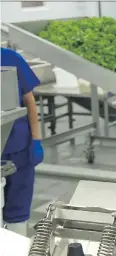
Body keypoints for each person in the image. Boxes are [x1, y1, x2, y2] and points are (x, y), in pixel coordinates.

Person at [1, 47, 44, 237]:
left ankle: (15, 255)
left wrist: (36, 140)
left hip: (18, 145)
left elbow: (29, 101)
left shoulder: (10, 58)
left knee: (18, 209)